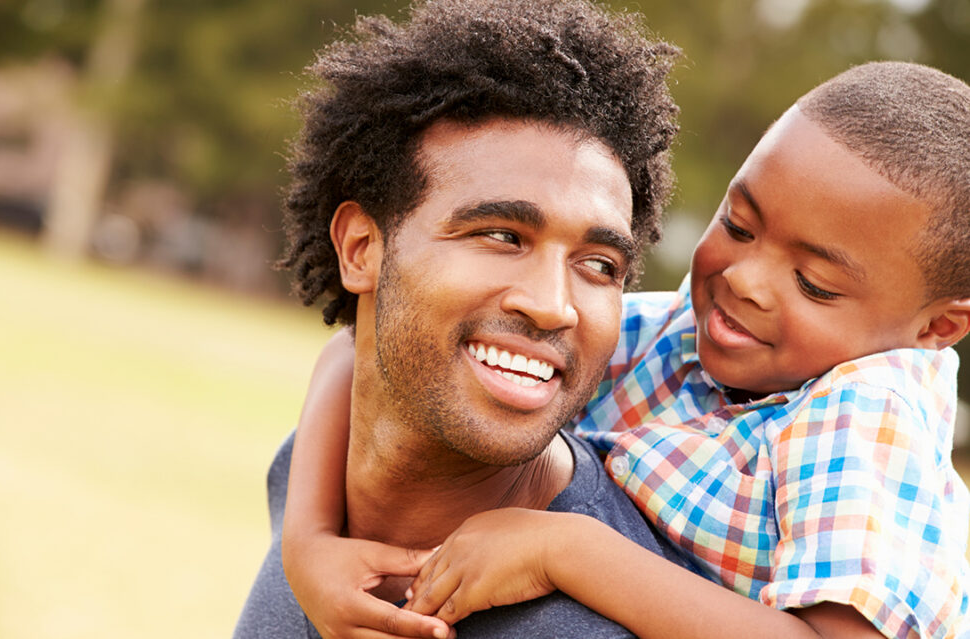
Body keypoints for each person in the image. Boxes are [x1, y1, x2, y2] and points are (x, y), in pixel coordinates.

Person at [284, 62, 970, 638]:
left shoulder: (868, 418)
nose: (745, 280)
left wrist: (565, 548)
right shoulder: (682, 337)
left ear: (937, 327)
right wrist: (308, 542)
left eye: (814, 283)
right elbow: (362, 345)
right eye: (738, 224)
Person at [230, 0, 690, 637]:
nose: (553, 304)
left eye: (599, 264)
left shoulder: (591, 620)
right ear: (361, 249)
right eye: (501, 235)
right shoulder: (312, 476)